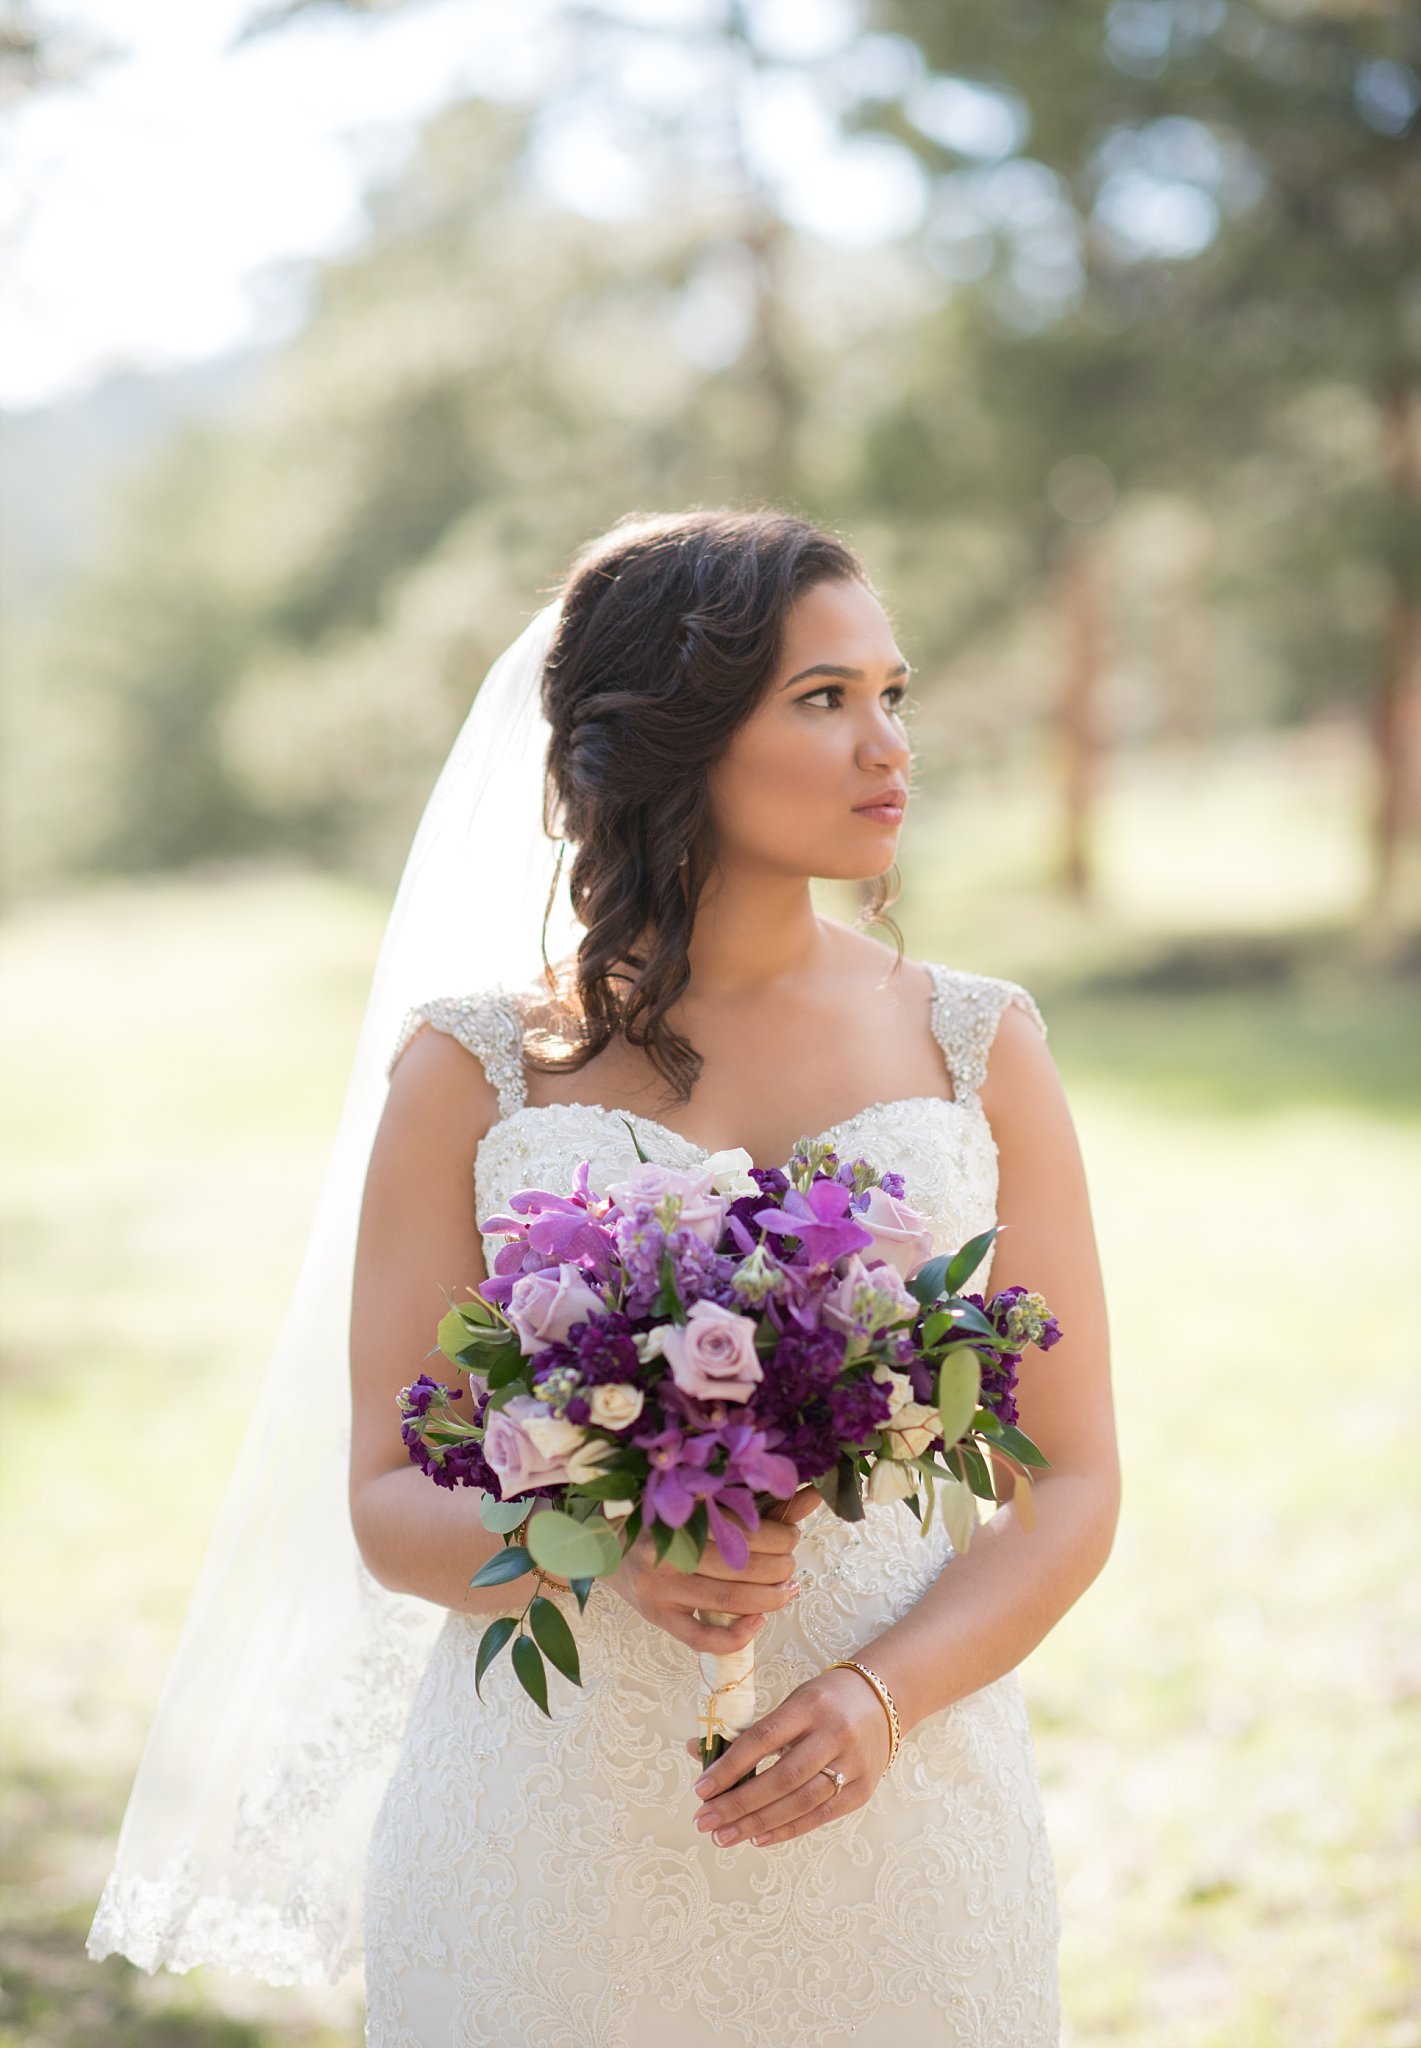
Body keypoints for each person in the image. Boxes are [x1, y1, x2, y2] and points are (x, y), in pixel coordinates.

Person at [351, 507, 1120, 2044]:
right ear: (674, 733)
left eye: (891, 694)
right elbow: (386, 1497)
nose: (886, 745)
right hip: (553, 1825)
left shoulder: (976, 1044)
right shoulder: (473, 1070)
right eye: (822, 699)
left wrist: (882, 1698)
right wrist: (603, 1552)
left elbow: (1072, 1484)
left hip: (900, 1818)